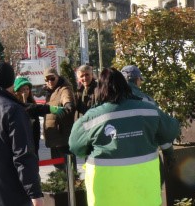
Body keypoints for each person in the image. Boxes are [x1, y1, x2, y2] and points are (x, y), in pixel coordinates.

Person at [69, 68, 180, 206]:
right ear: (125, 85)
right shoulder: (149, 109)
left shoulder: (93, 117)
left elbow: (75, 146)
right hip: (144, 189)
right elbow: (171, 130)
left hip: (105, 191)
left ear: (101, 89)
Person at [0, 60, 45, 206]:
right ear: (11, 82)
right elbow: (23, 155)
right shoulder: (13, 110)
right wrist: (35, 194)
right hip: (15, 192)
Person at [28, 70, 76, 168]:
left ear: (58, 77)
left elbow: (67, 97)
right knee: (58, 170)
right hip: (53, 138)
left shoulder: (63, 89)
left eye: (52, 78)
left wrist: (68, 104)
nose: (50, 81)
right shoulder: (50, 92)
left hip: (63, 138)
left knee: (69, 170)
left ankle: (72, 183)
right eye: (47, 79)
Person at [14, 76, 42, 157]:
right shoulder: (14, 104)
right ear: (18, 91)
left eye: (27, 89)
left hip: (33, 138)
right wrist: (23, 100)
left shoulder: (32, 104)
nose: (26, 92)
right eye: (23, 89)